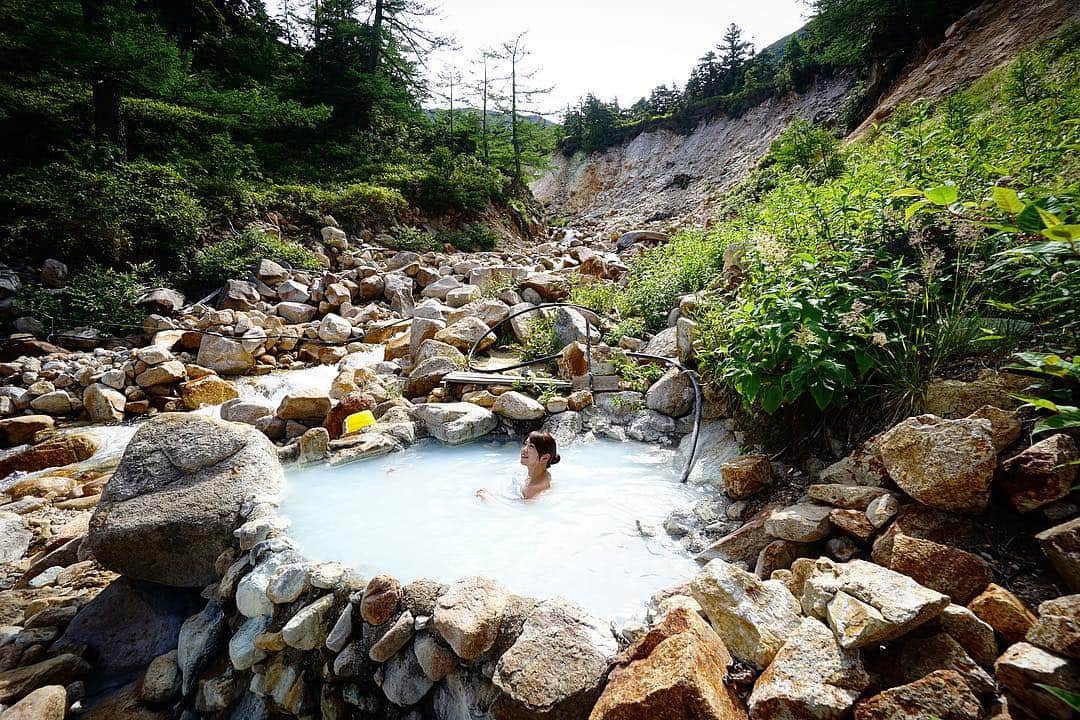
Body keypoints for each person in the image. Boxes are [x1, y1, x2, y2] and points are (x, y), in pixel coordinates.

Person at [476, 431, 561, 502]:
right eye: (525, 444)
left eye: (531, 446)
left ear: (544, 458)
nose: (524, 450)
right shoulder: (542, 475)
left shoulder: (533, 490)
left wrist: (487, 498)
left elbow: (518, 515)